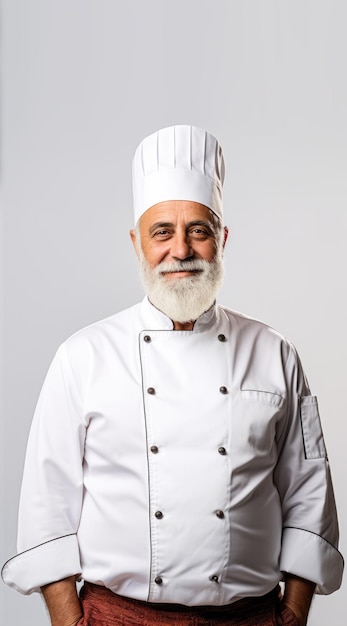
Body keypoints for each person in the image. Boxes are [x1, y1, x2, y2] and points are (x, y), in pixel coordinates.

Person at [2, 125, 343, 626]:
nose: (180, 250)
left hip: (249, 619)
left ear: (222, 239)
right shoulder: (82, 356)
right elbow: (45, 501)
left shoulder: (277, 354)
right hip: (117, 618)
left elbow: (310, 490)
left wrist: (292, 614)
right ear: (137, 242)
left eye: (198, 230)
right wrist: (69, 621)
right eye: (162, 231)